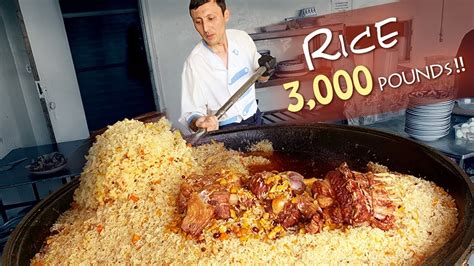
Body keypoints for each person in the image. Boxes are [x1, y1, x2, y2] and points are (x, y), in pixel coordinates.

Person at [179, 0, 275, 132]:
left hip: (256, 119)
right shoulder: (194, 62)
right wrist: (199, 122)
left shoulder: (241, 38)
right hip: (226, 130)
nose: (205, 28)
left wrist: (266, 70)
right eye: (198, 22)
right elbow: (190, 115)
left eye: (211, 18)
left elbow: (261, 78)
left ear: (226, 15)